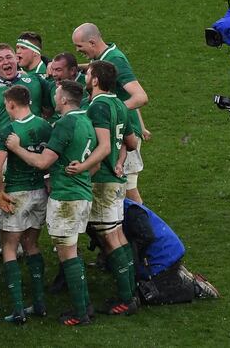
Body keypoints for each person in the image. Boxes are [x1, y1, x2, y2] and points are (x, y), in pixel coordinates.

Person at [5, 80, 98, 326]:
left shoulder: (66, 123)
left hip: (66, 198)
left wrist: (16, 148)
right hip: (83, 194)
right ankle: (86, 306)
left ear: (65, 100)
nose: (54, 97)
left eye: (57, 94)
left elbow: (42, 162)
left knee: (68, 255)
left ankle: (80, 313)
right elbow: (97, 161)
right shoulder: (86, 120)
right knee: (73, 252)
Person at [67, 61, 139, 315]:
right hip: (117, 180)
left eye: (88, 74)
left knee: (110, 239)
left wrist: (83, 167)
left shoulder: (97, 106)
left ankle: (127, 298)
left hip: (103, 181)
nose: (85, 76)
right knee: (118, 236)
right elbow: (129, 141)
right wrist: (120, 163)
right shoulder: (119, 103)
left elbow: (105, 145)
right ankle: (131, 293)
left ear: (95, 80)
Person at [0, 85, 53, 323]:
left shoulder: (8, 130)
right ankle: (39, 303)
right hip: (39, 192)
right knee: (32, 245)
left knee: (9, 248)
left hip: (16, 194)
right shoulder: (44, 126)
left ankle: (18, 309)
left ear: (11, 104)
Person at [72, 23, 150, 204]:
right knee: (118, 187)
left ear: (92, 42)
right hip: (121, 129)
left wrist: (113, 110)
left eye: (79, 46)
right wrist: (73, 67)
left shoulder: (116, 60)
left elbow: (140, 97)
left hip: (123, 130)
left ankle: (143, 229)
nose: (77, 50)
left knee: (129, 188)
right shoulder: (102, 58)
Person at [123, 199, 220, 304]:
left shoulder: (131, 211)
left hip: (162, 257)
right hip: (164, 253)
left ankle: (193, 286)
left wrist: (134, 263)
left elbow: (146, 237)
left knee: (143, 295)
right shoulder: (126, 207)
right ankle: (176, 276)